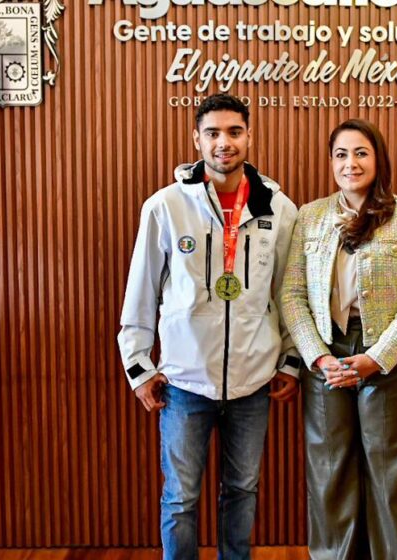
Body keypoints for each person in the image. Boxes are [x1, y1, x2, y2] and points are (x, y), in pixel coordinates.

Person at [117, 93, 302, 560]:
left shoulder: (280, 210)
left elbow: (291, 295)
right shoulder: (164, 206)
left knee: (242, 490)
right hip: (183, 382)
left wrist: (291, 361)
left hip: (253, 383)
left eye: (234, 132)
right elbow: (141, 292)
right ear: (195, 139)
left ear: (250, 137)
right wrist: (139, 367)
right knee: (180, 498)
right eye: (213, 133)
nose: (224, 143)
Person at [280, 119, 397, 559]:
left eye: (361, 153)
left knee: (391, 476)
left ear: (378, 158)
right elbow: (291, 295)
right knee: (328, 472)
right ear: (331, 162)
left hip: (392, 360)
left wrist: (376, 358)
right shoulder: (310, 216)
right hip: (327, 357)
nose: (351, 163)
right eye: (341, 154)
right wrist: (317, 358)